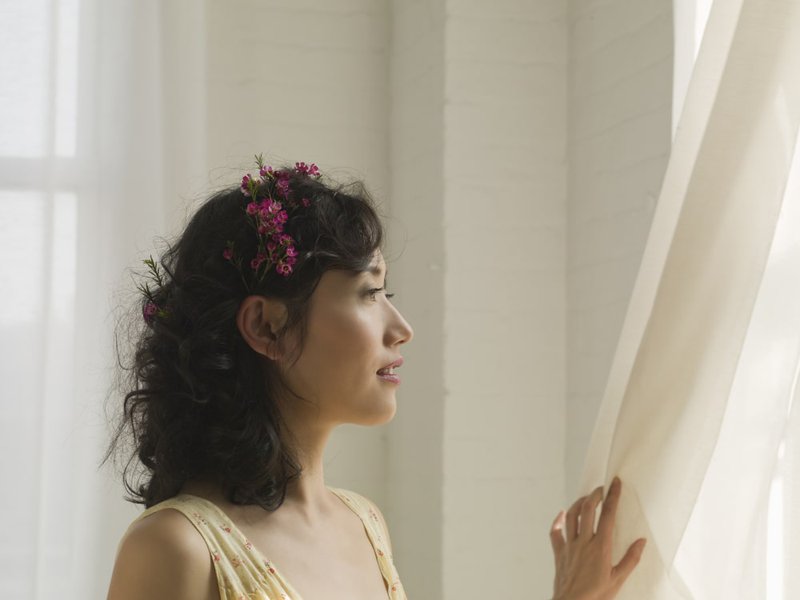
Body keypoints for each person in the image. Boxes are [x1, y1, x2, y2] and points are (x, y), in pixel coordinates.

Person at [105, 157, 646, 599]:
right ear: (267, 326)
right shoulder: (176, 549)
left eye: (389, 294)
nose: (402, 328)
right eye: (369, 293)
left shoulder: (364, 524)